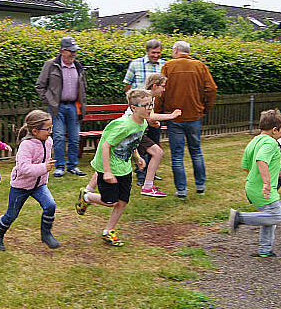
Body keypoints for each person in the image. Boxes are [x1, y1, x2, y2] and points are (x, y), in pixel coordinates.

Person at [83, 73, 182, 198]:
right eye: (162, 86)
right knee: (157, 153)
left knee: (112, 162)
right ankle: (148, 186)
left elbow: (148, 116)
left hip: (133, 131)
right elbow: (148, 115)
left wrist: (153, 122)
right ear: (155, 86)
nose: (164, 89)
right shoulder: (144, 98)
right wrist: (171, 116)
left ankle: (88, 190)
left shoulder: (148, 98)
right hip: (128, 131)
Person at [74, 89, 150, 247]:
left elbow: (131, 142)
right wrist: (107, 171)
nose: (149, 108)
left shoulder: (142, 123)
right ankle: (87, 197)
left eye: (151, 105)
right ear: (134, 108)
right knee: (110, 202)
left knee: (122, 201)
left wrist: (136, 157)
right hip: (108, 167)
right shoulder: (123, 125)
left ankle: (108, 231)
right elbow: (106, 146)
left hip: (124, 167)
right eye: (145, 105)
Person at [154, 41, 217, 198]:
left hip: (173, 116)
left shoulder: (168, 66)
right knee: (196, 151)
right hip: (194, 115)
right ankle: (200, 186)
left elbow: (161, 90)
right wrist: (205, 109)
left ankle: (181, 190)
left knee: (177, 154)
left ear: (175, 50)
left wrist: (158, 112)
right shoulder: (200, 66)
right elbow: (212, 89)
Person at [0, 110, 59, 251]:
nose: (50, 132)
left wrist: (45, 167)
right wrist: (43, 167)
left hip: (39, 185)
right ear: (35, 131)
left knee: (50, 205)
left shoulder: (48, 141)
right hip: (21, 187)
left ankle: (46, 233)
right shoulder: (26, 145)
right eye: (47, 129)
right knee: (11, 216)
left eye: (51, 128)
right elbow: (23, 168)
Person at [228, 109, 281, 258]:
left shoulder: (254, 141)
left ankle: (265, 249)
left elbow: (246, 165)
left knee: (269, 218)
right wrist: (266, 182)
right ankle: (239, 218)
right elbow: (261, 160)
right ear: (274, 130)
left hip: (252, 187)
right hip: (264, 188)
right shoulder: (271, 142)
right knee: (278, 215)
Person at [35, 37, 88, 178]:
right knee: (58, 137)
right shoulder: (50, 65)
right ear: (62, 51)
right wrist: (49, 101)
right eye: (70, 51)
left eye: (75, 51)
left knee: (75, 138)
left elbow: (84, 87)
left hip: (74, 107)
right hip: (57, 107)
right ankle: (59, 167)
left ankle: (73, 166)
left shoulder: (78, 66)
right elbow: (40, 86)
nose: (73, 54)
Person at [123, 39, 166, 184]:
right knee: (139, 141)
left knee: (153, 141)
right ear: (147, 51)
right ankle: (140, 173)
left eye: (158, 52)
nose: (156, 55)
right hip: (139, 112)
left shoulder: (164, 65)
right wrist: (135, 103)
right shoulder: (135, 64)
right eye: (153, 53)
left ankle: (151, 173)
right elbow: (127, 84)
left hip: (153, 109)